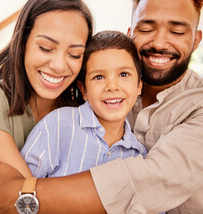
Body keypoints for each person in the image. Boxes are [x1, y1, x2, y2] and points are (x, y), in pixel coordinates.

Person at [0, 0, 203, 213]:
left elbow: (152, 178)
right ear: (130, 33)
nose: (160, 42)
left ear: (196, 40)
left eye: (177, 31)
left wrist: (23, 194)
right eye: (146, 28)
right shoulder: (102, 97)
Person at [0, 0, 93, 184]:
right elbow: (17, 196)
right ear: (23, 42)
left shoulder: (87, 110)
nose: (58, 66)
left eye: (74, 55)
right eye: (46, 48)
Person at [21, 30, 147, 178]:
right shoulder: (57, 125)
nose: (112, 86)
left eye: (124, 74)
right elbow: (18, 187)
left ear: (139, 85)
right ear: (83, 90)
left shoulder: (139, 156)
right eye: (99, 77)